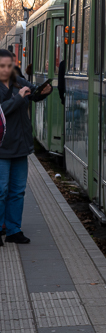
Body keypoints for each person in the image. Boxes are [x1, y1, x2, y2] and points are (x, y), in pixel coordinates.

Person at [0, 48, 51, 245]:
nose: (6, 70)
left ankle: (14, 230)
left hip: (21, 146)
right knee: (1, 190)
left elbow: (34, 93)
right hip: (2, 147)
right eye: (2, 66)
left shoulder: (18, 82)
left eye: (9, 66)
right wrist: (19, 98)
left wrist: (44, 91)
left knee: (18, 190)